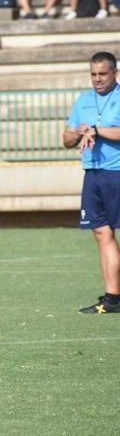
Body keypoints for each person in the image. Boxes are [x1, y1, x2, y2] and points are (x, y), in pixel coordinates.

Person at [62, 52, 120, 313]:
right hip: (93, 174)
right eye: (94, 74)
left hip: (116, 172)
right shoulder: (83, 101)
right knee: (101, 232)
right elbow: (65, 138)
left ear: (114, 73)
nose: (97, 79)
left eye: (103, 74)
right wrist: (76, 133)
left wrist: (98, 131)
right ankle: (113, 298)